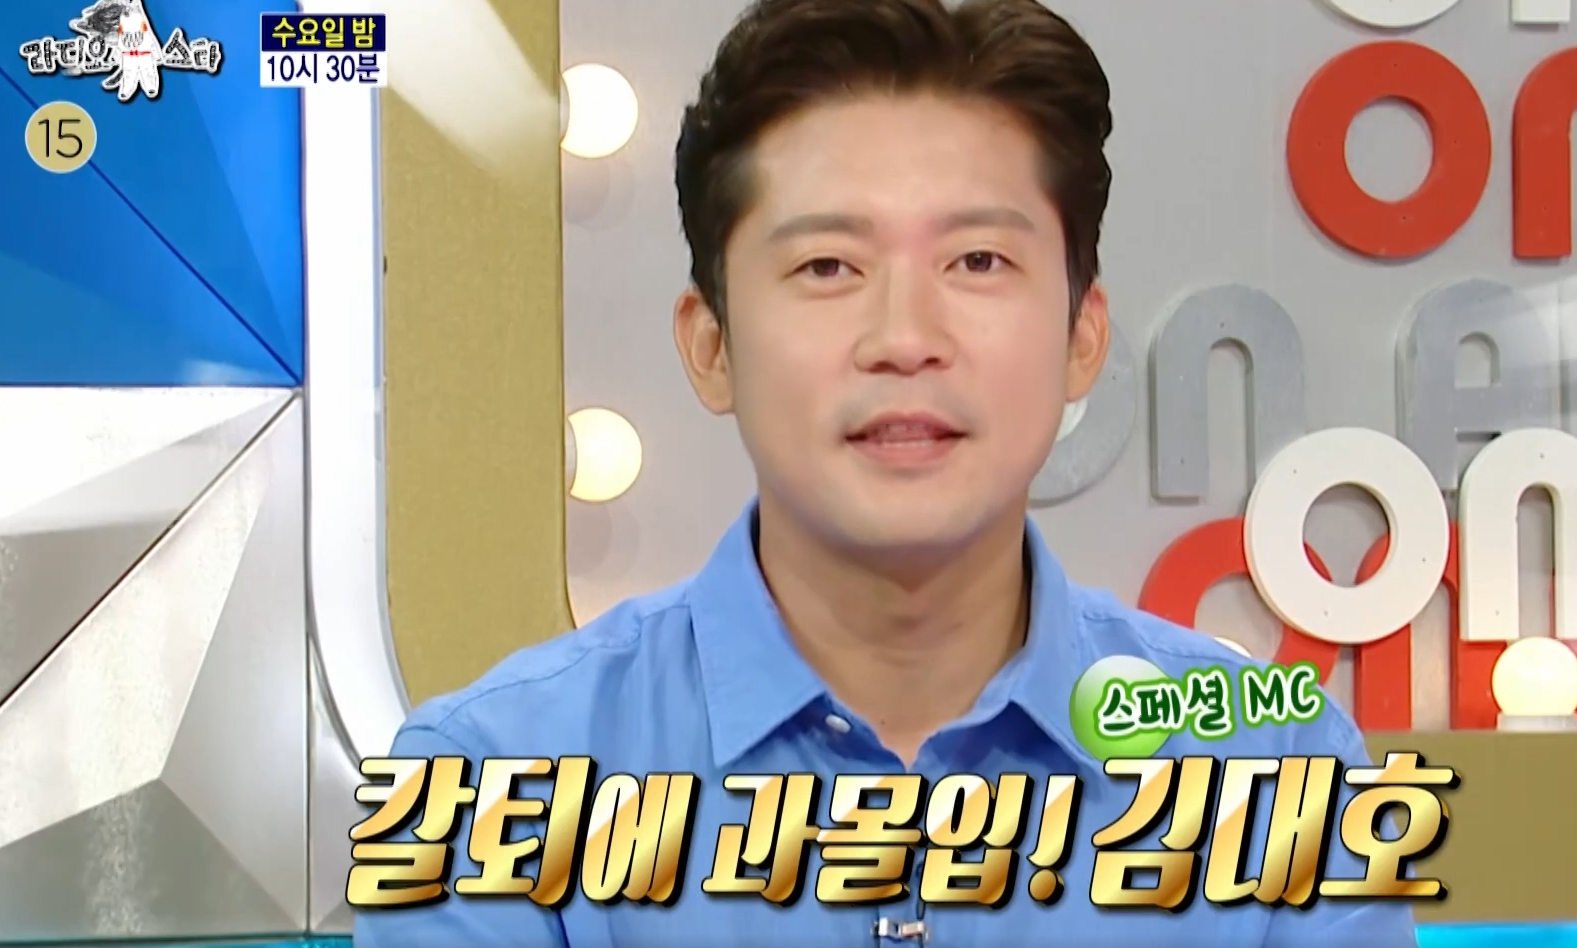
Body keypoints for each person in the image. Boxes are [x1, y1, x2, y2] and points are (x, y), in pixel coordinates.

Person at [354, 0, 1421, 945]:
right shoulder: (491, 784)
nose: (905, 338)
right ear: (711, 345)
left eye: (977, 262)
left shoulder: (1276, 770)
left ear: (1080, 338)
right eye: (828, 265)